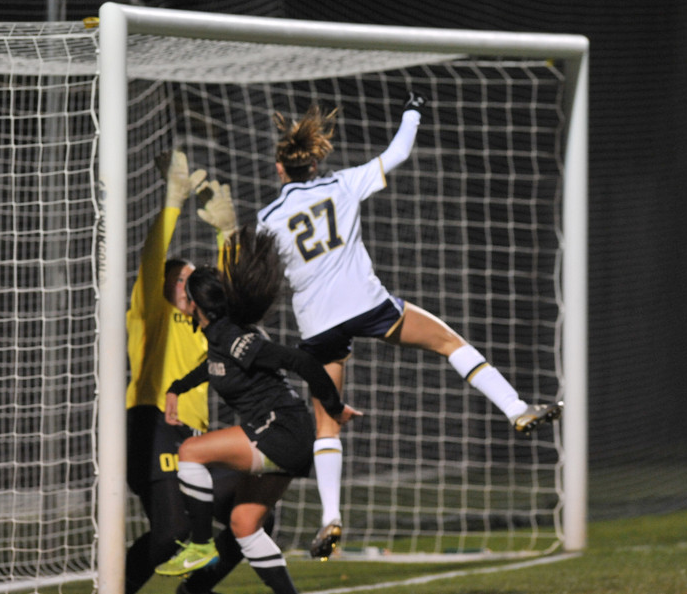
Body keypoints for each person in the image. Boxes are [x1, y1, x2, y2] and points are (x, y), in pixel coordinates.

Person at [256, 92, 564, 559]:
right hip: (367, 304)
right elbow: (399, 152)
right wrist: (412, 111)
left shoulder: (266, 219)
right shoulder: (342, 184)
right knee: (448, 341)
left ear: (280, 171)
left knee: (326, 424)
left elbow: (258, 275)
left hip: (318, 325)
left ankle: (330, 519)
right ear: (312, 165)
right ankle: (516, 408)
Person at [154, 225, 362, 594]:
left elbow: (301, 362)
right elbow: (212, 368)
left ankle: (201, 545)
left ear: (196, 304)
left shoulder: (234, 338)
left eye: (186, 293)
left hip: (282, 430)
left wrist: (333, 406)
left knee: (190, 452)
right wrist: (177, 388)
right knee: (244, 525)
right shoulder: (217, 335)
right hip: (284, 433)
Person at [124, 149, 248, 594]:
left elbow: (230, 296)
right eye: (180, 279)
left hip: (196, 439)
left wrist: (227, 235)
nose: (187, 286)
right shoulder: (150, 314)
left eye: (192, 281)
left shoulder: (205, 327)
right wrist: (173, 201)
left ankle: (195, 591)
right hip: (151, 427)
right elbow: (153, 256)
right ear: (162, 286)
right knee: (170, 537)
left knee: (253, 512)